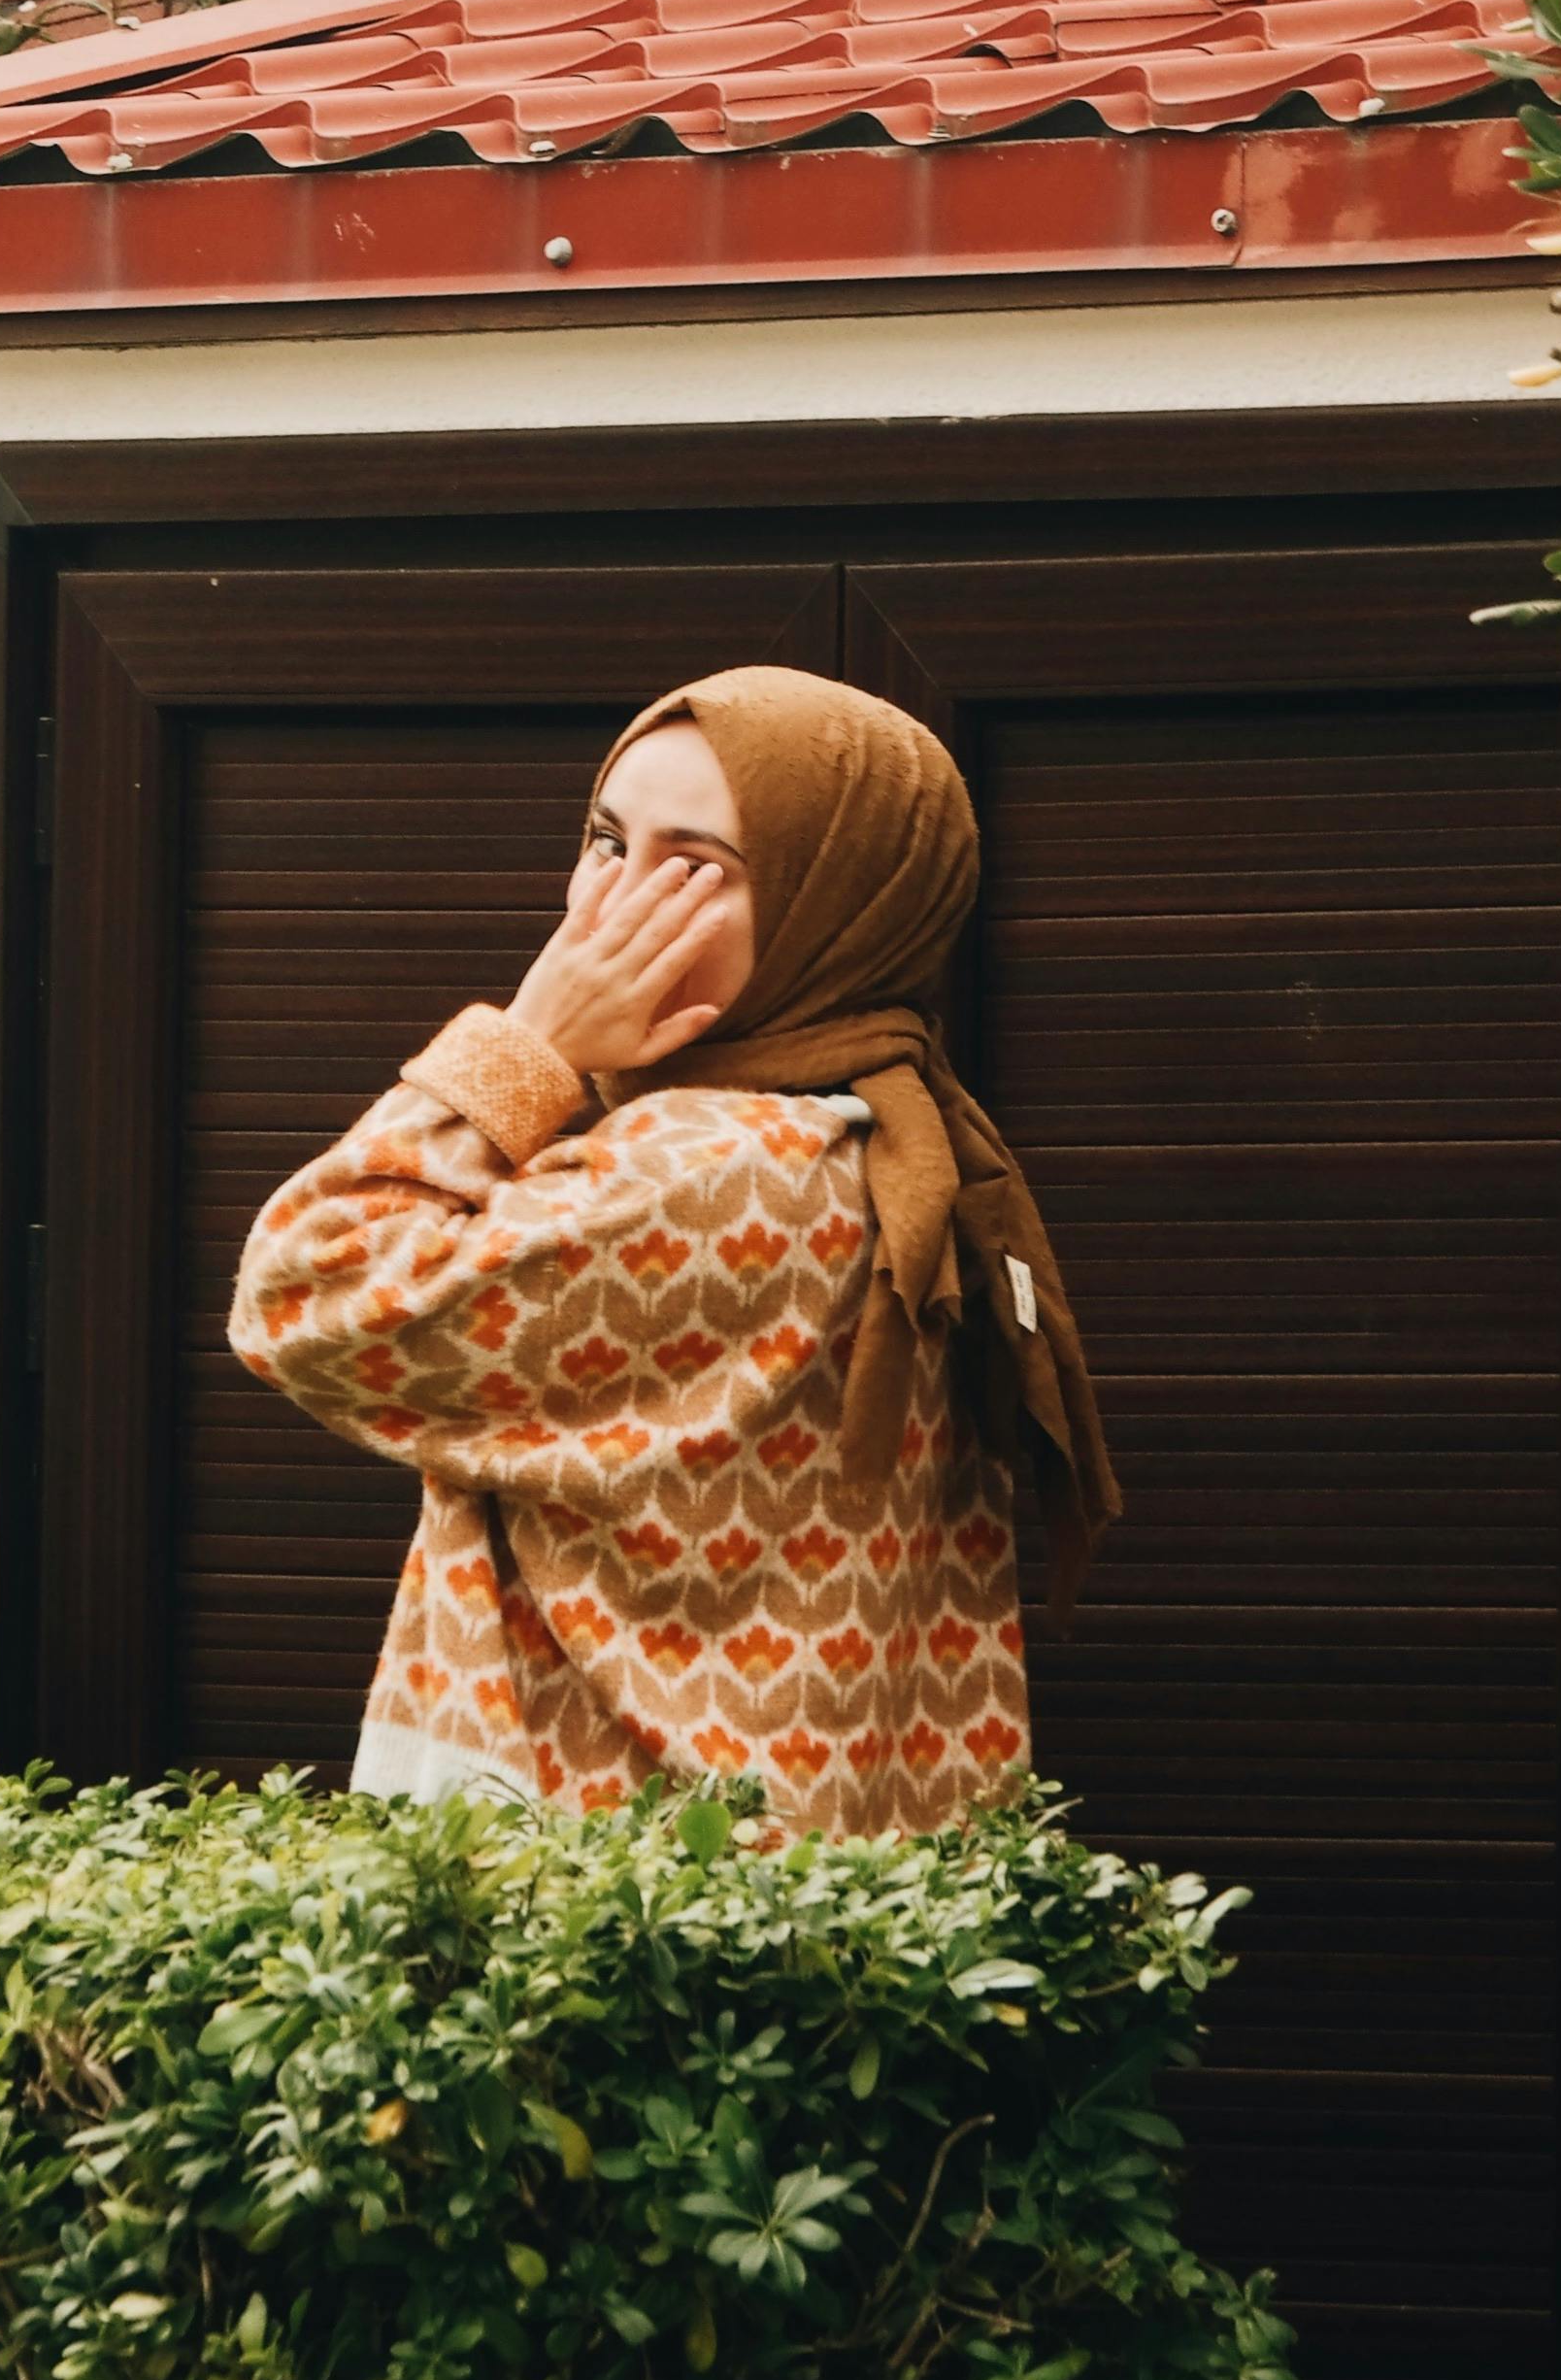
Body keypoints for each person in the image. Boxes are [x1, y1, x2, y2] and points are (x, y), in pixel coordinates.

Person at [228, 664, 1117, 1834]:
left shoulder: (710, 1168)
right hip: (808, 1861)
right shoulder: (892, 1135)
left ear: (837, 908)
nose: (606, 912)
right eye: (606, 842)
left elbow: (308, 1291)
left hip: (606, 1875)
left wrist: (528, 1042)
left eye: (692, 869)